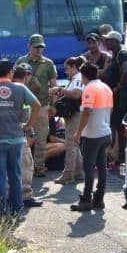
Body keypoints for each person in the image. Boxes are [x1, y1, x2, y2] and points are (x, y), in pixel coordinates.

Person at [0, 59, 40, 217]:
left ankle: (1, 209)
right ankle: (17, 208)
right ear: (11, 72)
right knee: (15, 174)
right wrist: (27, 125)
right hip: (16, 139)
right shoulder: (20, 88)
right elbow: (37, 105)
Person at [71, 63, 113, 212]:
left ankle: (86, 199)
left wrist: (78, 132)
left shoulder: (89, 88)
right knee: (102, 167)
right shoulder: (106, 88)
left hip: (92, 135)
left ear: (83, 76)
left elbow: (87, 111)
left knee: (88, 167)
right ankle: (99, 199)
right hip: (105, 133)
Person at [16, 34, 57, 176]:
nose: (39, 50)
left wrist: (53, 105)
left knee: (41, 137)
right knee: (21, 136)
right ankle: (21, 165)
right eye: (36, 47)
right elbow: (15, 82)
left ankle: (39, 166)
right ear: (29, 46)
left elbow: (53, 85)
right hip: (23, 105)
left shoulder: (48, 63)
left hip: (42, 105)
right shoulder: (21, 61)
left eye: (41, 47)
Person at [101, 30, 127, 166]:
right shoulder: (114, 56)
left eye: (108, 40)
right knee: (115, 124)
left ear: (115, 42)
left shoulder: (122, 54)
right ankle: (118, 156)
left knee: (119, 126)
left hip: (122, 98)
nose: (106, 42)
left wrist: (117, 87)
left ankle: (121, 157)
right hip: (116, 97)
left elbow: (126, 72)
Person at [50, 56, 85, 184]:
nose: (65, 71)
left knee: (70, 144)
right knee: (74, 143)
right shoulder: (75, 78)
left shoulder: (78, 78)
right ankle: (78, 172)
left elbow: (76, 94)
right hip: (73, 114)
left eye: (67, 69)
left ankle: (68, 174)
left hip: (76, 114)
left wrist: (59, 89)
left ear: (74, 67)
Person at [12, 64, 42, 207]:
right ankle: (25, 196)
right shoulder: (22, 90)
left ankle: (7, 195)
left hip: (3, 133)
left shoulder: (5, 88)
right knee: (26, 164)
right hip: (19, 133)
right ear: (26, 76)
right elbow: (34, 108)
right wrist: (29, 127)